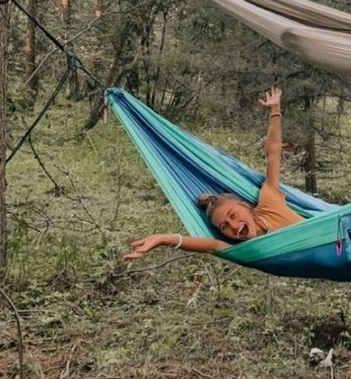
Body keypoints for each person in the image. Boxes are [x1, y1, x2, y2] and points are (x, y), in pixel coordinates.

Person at [123, 87, 302, 259]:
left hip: (328, 236)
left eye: (233, 215)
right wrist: (163, 239)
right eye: (224, 226)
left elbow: (273, 154)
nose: (232, 226)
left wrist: (275, 110)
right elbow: (212, 245)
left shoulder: (269, 204)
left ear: (246, 206)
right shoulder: (244, 250)